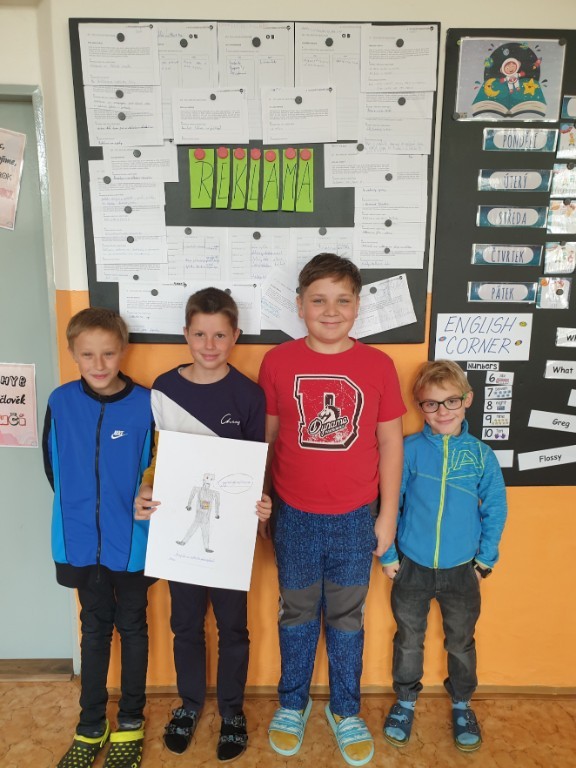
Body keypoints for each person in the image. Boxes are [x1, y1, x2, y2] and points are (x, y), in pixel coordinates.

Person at [258, 253, 405, 767]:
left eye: (343, 300)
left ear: (358, 305)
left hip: (355, 517)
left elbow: (391, 443)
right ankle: (292, 702)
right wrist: (262, 504)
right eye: (318, 300)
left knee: (346, 618)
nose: (330, 310)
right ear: (299, 305)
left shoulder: (378, 366)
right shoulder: (278, 362)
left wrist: (387, 516)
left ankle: (345, 709)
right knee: (296, 613)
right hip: (293, 514)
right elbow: (268, 438)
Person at [134, 287, 271, 763]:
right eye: (199, 335)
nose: (209, 345)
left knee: (234, 627)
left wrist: (262, 503)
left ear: (235, 336)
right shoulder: (164, 388)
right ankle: (190, 704)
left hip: (231, 535)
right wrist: (146, 488)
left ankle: (232, 711)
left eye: (219, 335)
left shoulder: (249, 394)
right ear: (185, 335)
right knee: (185, 624)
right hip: (178, 531)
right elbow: (156, 455)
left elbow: (257, 464)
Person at [42, 308, 155, 768]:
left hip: (132, 544)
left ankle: (130, 720)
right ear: (73, 353)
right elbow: (53, 466)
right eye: (87, 354)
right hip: (80, 542)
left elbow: (158, 467)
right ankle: (91, 724)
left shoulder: (147, 404)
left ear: (122, 351)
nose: (99, 363)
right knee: (93, 630)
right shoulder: (61, 401)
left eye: (108, 353)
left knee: (133, 628)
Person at [380, 360, 508, 753]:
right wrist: (388, 555)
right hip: (412, 567)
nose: (442, 411)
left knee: (461, 642)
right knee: (409, 639)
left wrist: (485, 560)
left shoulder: (481, 455)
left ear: (467, 399)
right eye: (431, 404)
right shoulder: (409, 450)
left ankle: (462, 703)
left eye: (451, 401)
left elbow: (496, 508)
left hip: (461, 571)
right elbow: (389, 503)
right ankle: (405, 701)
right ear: (419, 406)